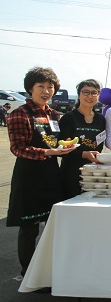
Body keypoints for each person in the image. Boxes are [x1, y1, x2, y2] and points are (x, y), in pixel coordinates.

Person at [6, 67, 74, 279]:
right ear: (30, 89)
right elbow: (18, 148)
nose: (46, 91)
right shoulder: (20, 114)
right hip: (29, 177)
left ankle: (48, 269)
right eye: (41, 87)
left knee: (51, 225)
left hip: (52, 175)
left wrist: (66, 149)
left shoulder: (54, 114)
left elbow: (62, 142)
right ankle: (29, 274)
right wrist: (48, 151)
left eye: (50, 87)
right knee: (29, 229)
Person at [59, 79, 105, 199]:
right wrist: (84, 154)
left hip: (93, 172)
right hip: (71, 173)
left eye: (94, 93)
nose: (90, 96)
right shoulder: (68, 118)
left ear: (98, 96)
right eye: (85, 92)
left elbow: (100, 144)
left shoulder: (101, 119)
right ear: (79, 95)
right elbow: (61, 150)